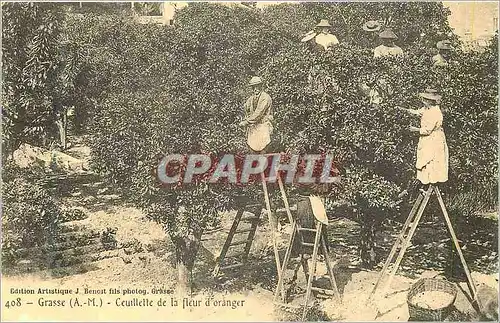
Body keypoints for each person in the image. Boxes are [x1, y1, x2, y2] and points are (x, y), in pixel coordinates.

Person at [397, 88, 449, 186]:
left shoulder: (435, 112)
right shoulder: (427, 109)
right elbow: (416, 112)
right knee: (426, 159)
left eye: (426, 99)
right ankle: (427, 182)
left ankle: (432, 183)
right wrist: (402, 109)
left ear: (431, 101)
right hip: (427, 139)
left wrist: (414, 129)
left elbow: (427, 130)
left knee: (431, 160)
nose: (423, 101)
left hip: (434, 139)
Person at [239, 76, 273, 153]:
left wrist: (246, 122)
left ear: (261, 86)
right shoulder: (251, 99)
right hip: (254, 128)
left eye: (257, 86)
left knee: (263, 150)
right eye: (253, 87)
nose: (255, 89)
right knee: (252, 150)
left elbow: (259, 113)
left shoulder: (265, 98)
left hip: (263, 126)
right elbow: (245, 108)